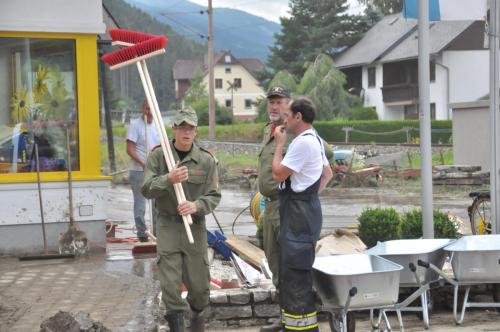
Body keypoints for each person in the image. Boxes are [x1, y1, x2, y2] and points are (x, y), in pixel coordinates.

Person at [141, 108, 221, 332]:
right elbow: (146, 188)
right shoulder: (159, 155)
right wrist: (168, 178)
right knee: (169, 282)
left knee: (199, 285)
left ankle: (197, 317)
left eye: (191, 128)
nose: (186, 132)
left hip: (194, 226)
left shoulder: (206, 160)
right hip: (167, 224)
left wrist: (196, 206)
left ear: (196, 131)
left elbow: (214, 196)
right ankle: (176, 324)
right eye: (182, 127)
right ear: (174, 129)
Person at [272, 97, 333, 332]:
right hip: (306, 211)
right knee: (297, 271)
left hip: (297, 216)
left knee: (295, 274)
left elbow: (278, 174)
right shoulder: (316, 139)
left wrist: (279, 144)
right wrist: (309, 197)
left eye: (288, 115)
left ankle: (303, 329)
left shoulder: (301, 143)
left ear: (298, 117)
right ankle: (294, 326)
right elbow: (327, 174)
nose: (284, 119)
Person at [126, 100, 160, 242]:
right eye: (147, 109)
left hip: (154, 170)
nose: (149, 112)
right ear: (142, 109)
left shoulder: (157, 125)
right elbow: (129, 149)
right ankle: (142, 233)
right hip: (138, 171)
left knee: (157, 203)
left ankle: (158, 233)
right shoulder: (135, 125)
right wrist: (143, 163)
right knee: (140, 203)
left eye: (152, 109)